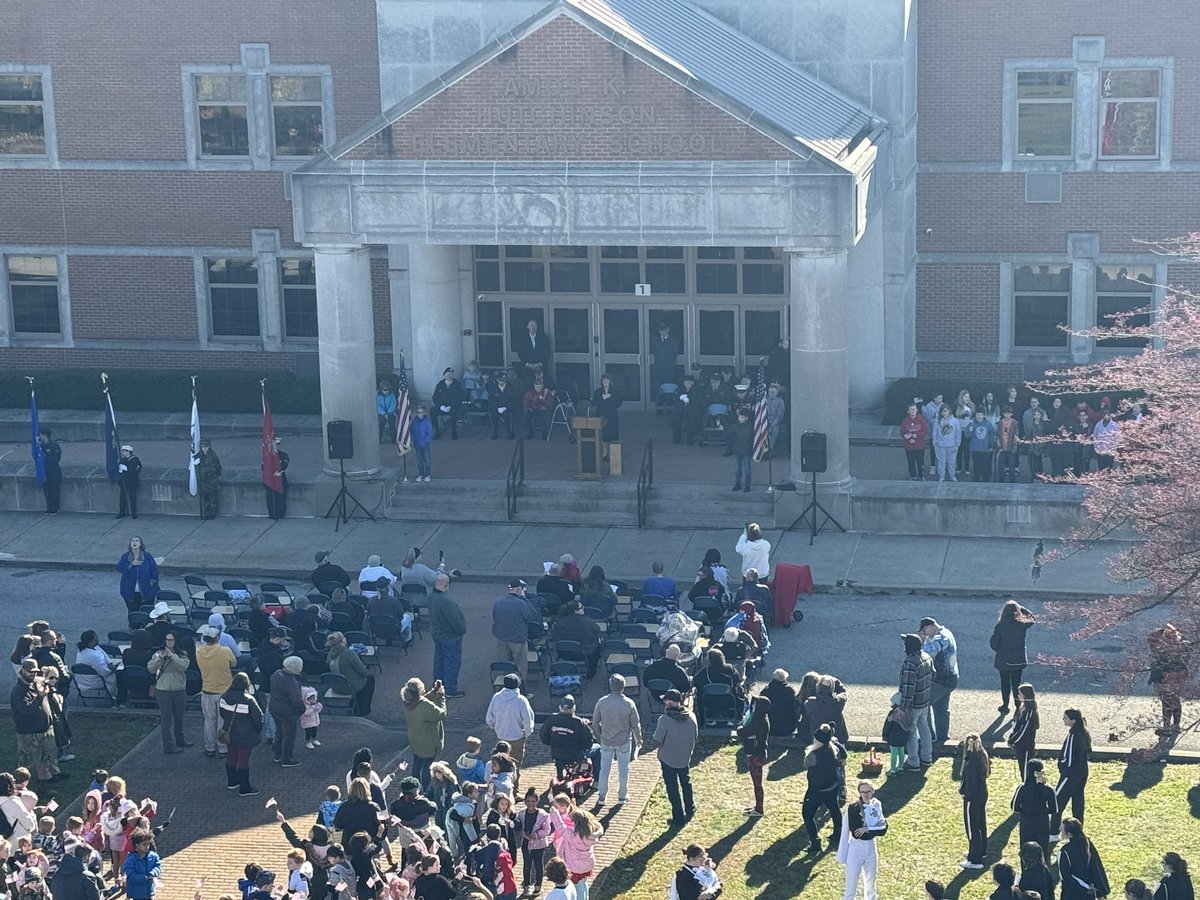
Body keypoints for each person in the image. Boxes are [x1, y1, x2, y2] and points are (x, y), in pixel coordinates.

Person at [645, 689, 697, 827]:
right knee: (686, 782)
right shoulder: (691, 716)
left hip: (668, 759)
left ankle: (678, 817)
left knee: (672, 788)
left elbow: (657, 741)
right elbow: (695, 735)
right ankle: (690, 807)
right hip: (685, 758)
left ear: (669, 702)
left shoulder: (664, 720)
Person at [592, 674, 642, 805]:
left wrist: (599, 736)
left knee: (604, 769)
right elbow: (635, 724)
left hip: (606, 741)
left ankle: (602, 797)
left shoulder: (602, 702)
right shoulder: (629, 703)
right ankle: (622, 795)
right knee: (623, 769)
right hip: (624, 741)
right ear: (623, 687)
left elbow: (595, 723)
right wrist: (639, 739)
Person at [11, 660, 62, 783]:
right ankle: (18, 785)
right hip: (29, 732)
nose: (33, 675)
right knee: (26, 761)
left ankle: (42, 783)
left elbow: (46, 681)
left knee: (43, 759)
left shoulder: (37, 682)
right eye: (30, 672)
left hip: (43, 730)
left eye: (35, 672)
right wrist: (40, 697)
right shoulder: (18, 691)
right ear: (22, 670)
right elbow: (25, 711)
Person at [836, 781, 887, 900]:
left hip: (870, 847)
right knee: (851, 883)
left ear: (873, 792)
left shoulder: (876, 805)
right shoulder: (853, 808)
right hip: (856, 848)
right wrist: (873, 829)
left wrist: (868, 828)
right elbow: (858, 834)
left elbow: (884, 829)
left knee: (871, 881)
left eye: (868, 791)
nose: (865, 794)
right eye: (863, 792)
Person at [802, 722, 846, 852]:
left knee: (807, 814)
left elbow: (806, 765)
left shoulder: (812, 754)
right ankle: (838, 835)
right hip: (832, 786)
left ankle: (815, 843)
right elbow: (842, 752)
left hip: (816, 790)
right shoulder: (834, 749)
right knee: (834, 809)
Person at [219, 671, 265, 796]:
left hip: (230, 732)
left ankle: (232, 782)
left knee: (231, 756)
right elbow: (258, 717)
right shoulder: (248, 700)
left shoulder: (224, 697)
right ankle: (245, 788)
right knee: (243, 760)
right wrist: (258, 729)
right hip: (246, 734)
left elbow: (222, 714)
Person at [196, 624, 237, 758]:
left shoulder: (199, 652)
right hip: (224, 691)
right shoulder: (225, 651)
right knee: (222, 720)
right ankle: (223, 748)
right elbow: (234, 663)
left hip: (207, 690)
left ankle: (210, 747)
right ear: (218, 637)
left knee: (209, 720)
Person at [147, 631, 190, 754]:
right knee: (166, 718)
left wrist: (173, 656)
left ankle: (180, 739)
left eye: (171, 640)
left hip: (179, 689)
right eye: (167, 640)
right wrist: (160, 659)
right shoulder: (158, 653)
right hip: (163, 690)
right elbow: (150, 668)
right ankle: (168, 745)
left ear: (176, 641)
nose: (169, 642)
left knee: (179, 716)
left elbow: (183, 666)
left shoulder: (182, 654)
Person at [919, 616, 959, 744]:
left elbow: (928, 653)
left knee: (924, 704)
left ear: (931, 626)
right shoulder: (947, 632)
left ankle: (929, 736)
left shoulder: (941, 637)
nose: (925, 634)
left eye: (925, 631)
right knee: (941, 708)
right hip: (950, 677)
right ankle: (942, 737)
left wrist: (920, 643)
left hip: (942, 680)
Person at [549, 801, 600, 900]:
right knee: (584, 884)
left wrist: (554, 812)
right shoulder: (590, 835)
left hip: (576, 867)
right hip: (587, 864)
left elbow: (560, 827)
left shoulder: (573, 836)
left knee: (577, 888)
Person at [491, 579, 540, 682]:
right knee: (520, 667)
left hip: (501, 637)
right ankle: (521, 690)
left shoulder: (498, 601)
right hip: (517, 639)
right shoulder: (521, 603)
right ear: (518, 589)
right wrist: (525, 598)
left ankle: (505, 687)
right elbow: (533, 615)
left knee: (504, 665)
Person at [991, 601, 1035, 715]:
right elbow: (1032, 618)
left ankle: (1005, 706)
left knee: (1005, 683)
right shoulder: (1022, 625)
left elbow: (993, 643)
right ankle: (1018, 706)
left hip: (1004, 661)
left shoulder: (1000, 625)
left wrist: (1000, 650)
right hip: (1018, 661)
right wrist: (1021, 608)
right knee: (1017, 684)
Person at [428, 573, 467, 698]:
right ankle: (450, 689)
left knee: (439, 660)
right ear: (446, 584)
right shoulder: (446, 601)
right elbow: (455, 621)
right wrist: (461, 631)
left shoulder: (431, 596)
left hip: (437, 633)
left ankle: (438, 684)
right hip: (450, 636)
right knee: (452, 662)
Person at [1052, 709, 1091, 833]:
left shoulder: (1073, 736)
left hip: (1070, 774)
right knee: (1078, 800)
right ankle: (1077, 829)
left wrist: (1062, 769)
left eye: (1065, 718)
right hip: (1082, 772)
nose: (1063, 719)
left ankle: (1053, 830)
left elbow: (1067, 758)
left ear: (1073, 721)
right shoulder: (1084, 732)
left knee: (1057, 801)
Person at [898, 633, 934, 770]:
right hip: (925, 702)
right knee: (925, 728)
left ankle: (913, 761)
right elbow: (933, 675)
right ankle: (927, 757)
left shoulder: (910, 664)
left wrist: (902, 708)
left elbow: (908, 689)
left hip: (913, 705)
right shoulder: (927, 657)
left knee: (911, 731)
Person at [1148, 624, 1191, 735]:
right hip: (1171, 676)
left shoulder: (1168, 650)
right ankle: (1172, 725)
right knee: (1171, 700)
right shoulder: (1179, 647)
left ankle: (1169, 726)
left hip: (1169, 676)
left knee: (1169, 700)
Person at [538, 695, 593, 779]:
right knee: (598, 749)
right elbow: (588, 741)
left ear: (560, 707)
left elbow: (544, 737)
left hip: (557, 753)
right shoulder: (578, 722)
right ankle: (596, 781)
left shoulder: (551, 719)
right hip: (575, 754)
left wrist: (553, 742)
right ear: (574, 708)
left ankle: (560, 776)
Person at [486, 674, 535, 765]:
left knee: (501, 763)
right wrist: (527, 733)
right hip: (517, 737)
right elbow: (528, 720)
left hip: (501, 736)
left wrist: (496, 728)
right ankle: (515, 779)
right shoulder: (521, 700)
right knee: (515, 764)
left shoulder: (496, 697)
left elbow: (489, 718)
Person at [1011, 758, 1056, 858]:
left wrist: (1025, 810)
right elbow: (1054, 809)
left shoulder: (1022, 788)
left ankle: (1025, 871)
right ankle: (1043, 871)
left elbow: (1015, 807)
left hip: (1027, 822)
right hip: (1042, 823)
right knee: (1043, 849)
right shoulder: (1048, 789)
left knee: (1025, 848)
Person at [959, 733, 990, 870]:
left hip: (972, 797)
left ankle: (975, 858)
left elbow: (969, 783)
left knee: (972, 828)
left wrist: (964, 794)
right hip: (982, 793)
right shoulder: (983, 756)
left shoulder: (971, 763)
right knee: (980, 823)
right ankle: (981, 850)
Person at [1057, 818, 1109, 900]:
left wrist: (1086, 887)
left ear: (1070, 834)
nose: (1059, 828)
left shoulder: (1064, 852)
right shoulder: (1087, 843)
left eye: (1062, 828)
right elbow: (1095, 867)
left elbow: (1065, 876)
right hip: (1089, 893)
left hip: (1073, 893)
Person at [549, 601, 602, 679]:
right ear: (575, 611)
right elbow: (597, 630)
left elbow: (554, 636)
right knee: (598, 646)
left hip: (564, 653)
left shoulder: (559, 622)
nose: (583, 608)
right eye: (581, 607)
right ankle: (591, 672)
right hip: (583, 653)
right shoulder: (587, 621)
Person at [737, 695, 770, 817]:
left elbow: (742, 731)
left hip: (756, 755)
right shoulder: (760, 719)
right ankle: (757, 806)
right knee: (756, 783)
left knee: (757, 784)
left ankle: (759, 809)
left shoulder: (759, 722)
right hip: (756, 753)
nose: (753, 706)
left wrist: (743, 730)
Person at [326, 632, 375, 716]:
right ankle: (364, 709)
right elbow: (363, 671)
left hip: (336, 686)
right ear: (342, 641)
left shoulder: (330, 654)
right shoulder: (349, 653)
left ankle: (355, 704)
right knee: (370, 679)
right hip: (349, 687)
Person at [514, 791, 552, 896]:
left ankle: (538, 886)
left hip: (539, 844)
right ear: (525, 801)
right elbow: (519, 827)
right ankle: (526, 886)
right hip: (526, 843)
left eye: (533, 801)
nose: (530, 803)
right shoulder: (521, 813)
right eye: (528, 801)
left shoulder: (543, 815)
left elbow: (547, 830)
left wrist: (536, 835)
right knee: (527, 864)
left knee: (538, 864)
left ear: (537, 801)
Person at [269, 656, 305, 768]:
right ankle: (287, 759)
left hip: (275, 708)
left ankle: (278, 755)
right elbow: (296, 701)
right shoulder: (291, 682)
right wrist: (302, 709)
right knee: (288, 736)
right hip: (287, 713)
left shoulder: (276, 674)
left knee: (279, 732)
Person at [693, 648, 741, 726]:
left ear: (709, 660)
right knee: (739, 691)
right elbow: (737, 680)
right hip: (729, 702)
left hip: (710, 702)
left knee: (699, 693)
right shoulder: (730, 668)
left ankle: (705, 719)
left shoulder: (706, 671)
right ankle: (735, 717)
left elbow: (695, 681)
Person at [803, 673, 848, 745]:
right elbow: (844, 692)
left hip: (818, 737)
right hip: (837, 736)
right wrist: (834, 681)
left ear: (818, 687)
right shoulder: (839, 701)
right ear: (832, 688)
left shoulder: (811, 702)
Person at [73, 631, 118, 703]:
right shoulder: (93, 656)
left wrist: (109, 662)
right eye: (96, 637)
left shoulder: (87, 648)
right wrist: (113, 669)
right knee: (118, 675)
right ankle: (116, 697)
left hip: (82, 678)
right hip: (93, 680)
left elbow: (103, 653)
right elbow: (104, 672)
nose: (98, 638)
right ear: (91, 641)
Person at [117, 536, 160, 610]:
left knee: (147, 611)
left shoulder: (147, 556)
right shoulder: (125, 556)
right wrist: (131, 564)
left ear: (140, 544)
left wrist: (152, 582)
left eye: (136, 541)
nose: (134, 542)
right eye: (132, 541)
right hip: (130, 591)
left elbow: (154, 570)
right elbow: (120, 568)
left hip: (147, 590)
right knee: (133, 611)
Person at [1008, 683, 1040, 780]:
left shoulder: (1030, 711)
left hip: (1026, 746)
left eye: (1020, 694)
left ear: (1025, 695)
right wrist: (1011, 736)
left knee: (1027, 771)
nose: (1018, 695)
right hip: (1019, 746)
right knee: (1022, 769)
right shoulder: (1022, 709)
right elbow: (1016, 726)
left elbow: (1024, 730)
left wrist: (1012, 740)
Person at [589, 374, 622, 459]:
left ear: (610, 381)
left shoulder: (615, 391)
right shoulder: (598, 392)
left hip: (612, 416)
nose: (606, 382)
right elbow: (594, 403)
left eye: (607, 381)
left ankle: (613, 454)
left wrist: (609, 399)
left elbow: (619, 402)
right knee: (604, 436)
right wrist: (602, 398)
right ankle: (604, 453)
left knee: (613, 435)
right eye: (604, 381)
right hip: (601, 417)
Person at [122, 830, 160, 900]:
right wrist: (143, 877)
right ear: (137, 845)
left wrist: (153, 873)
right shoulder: (131, 858)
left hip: (149, 890)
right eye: (144, 844)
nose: (147, 846)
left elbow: (157, 866)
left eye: (148, 844)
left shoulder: (153, 856)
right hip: (136, 892)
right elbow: (130, 873)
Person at [650, 322, 680, 406]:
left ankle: (669, 407)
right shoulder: (655, 340)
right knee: (657, 388)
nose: (663, 332)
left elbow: (674, 354)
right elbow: (654, 352)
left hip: (669, 368)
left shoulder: (673, 340)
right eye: (661, 330)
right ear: (659, 331)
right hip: (658, 368)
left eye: (665, 330)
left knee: (668, 387)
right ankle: (659, 408)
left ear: (668, 330)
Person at [932, 404, 963, 482]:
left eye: (945, 411)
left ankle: (952, 476)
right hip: (940, 445)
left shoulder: (955, 421)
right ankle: (942, 476)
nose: (943, 413)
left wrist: (957, 444)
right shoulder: (937, 420)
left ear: (949, 411)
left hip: (952, 445)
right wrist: (934, 442)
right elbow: (934, 432)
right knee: (941, 462)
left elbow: (958, 433)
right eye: (942, 412)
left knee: (952, 462)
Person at [432, 368, 465, 440]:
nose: (449, 376)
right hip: (442, 406)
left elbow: (460, 397)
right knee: (432, 411)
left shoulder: (457, 385)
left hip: (453, 407)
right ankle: (436, 431)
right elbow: (435, 397)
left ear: (453, 375)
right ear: (444, 375)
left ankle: (454, 432)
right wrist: (441, 406)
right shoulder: (440, 384)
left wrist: (451, 406)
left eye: (451, 374)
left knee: (454, 412)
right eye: (447, 374)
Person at [518, 319, 553, 384]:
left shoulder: (543, 338)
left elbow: (547, 352)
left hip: (541, 368)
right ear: (527, 326)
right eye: (531, 325)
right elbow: (520, 353)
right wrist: (528, 364)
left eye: (534, 325)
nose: (533, 327)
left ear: (537, 326)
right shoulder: (522, 338)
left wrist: (539, 364)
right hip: (527, 369)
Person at [194, 438, 222, 519]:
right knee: (205, 499)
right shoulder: (199, 456)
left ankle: (213, 513)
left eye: (206, 447)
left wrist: (217, 475)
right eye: (203, 447)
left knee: (213, 498)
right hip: (203, 481)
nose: (204, 449)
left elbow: (218, 466)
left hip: (212, 480)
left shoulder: (213, 455)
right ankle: (206, 513)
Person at [901, 403, 929, 480]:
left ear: (917, 410)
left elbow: (924, 431)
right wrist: (909, 438)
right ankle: (912, 476)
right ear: (908, 411)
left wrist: (915, 436)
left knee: (921, 462)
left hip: (920, 446)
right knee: (911, 462)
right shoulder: (905, 421)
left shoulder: (921, 419)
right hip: (909, 447)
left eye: (914, 409)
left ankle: (921, 476)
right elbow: (903, 432)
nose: (913, 411)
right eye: (911, 409)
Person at [489, 371, 521, 440]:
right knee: (493, 415)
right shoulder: (493, 388)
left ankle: (509, 432)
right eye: (500, 380)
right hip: (496, 408)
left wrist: (505, 407)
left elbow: (514, 400)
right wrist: (497, 408)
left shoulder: (511, 388)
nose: (501, 381)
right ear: (497, 380)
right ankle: (495, 432)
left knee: (508, 416)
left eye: (503, 380)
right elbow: (491, 400)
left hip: (508, 408)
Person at [37, 429, 62, 514]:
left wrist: (44, 458)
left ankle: (55, 508)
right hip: (45, 473)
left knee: (54, 491)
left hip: (53, 472)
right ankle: (49, 507)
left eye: (40, 435)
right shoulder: (40, 446)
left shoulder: (54, 445)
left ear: (45, 435)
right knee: (47, 492)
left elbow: (56, 459)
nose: (39, 437)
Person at [729, 408, 754, 493]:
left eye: (742, 417)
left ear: (746, 418)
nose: (740, 419)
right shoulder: (735, 426)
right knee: (737, 469)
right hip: (738, 450)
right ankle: (738, 483)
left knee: (747, 469)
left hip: (746, 450)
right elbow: (730, 436)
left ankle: (747, 485)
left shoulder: (750, 427)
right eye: (739, 417)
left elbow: (752, 438)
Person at [264, 435, 289, 520]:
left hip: (280, 479)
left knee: (280, 498)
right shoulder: (266, 456)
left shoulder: (283, 455)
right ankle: (272, 513)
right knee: (270, 498)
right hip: (270, 479)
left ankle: (280, 513)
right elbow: (263, 467)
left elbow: (284, 466)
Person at [116, 444, 141, 519]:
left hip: (132, 480)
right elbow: (119, 471)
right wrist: (120, 470)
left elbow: (136, 471)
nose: (122, 452)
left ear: (128, 452)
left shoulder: (135, 460)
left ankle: (134, 512)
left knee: (132, 496)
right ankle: (122, 511)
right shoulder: (123, 460)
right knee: (122, 496)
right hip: (124, 481)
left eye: (124, 451)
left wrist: (126, 469)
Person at [997, 407, 1020, 482]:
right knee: (1001, 465)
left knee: (1011, 465)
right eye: (1005, 413)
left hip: (1011, 446)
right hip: (1002, 446)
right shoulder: (1000, 422)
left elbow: (1016, 435)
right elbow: (998, 434)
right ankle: (1001, 480)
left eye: (1009, 414)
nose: (1007, 415)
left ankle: (1012, 480)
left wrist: (1014, 447)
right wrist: (999, 446)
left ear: (1011, 414)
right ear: (1003, 414)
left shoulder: (1015, 423)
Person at [411, 406, 433, 481]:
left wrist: (427, 441)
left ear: (424, 413)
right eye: (418, 412)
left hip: (425, 444)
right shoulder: (414, 422)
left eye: (421, 412)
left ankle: (427, 475)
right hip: (417, 444)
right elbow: (412, 432)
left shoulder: (427, 422)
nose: (419, 414)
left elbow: (429, 433)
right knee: (419, 461)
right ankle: (421, 474)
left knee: (427, 460)